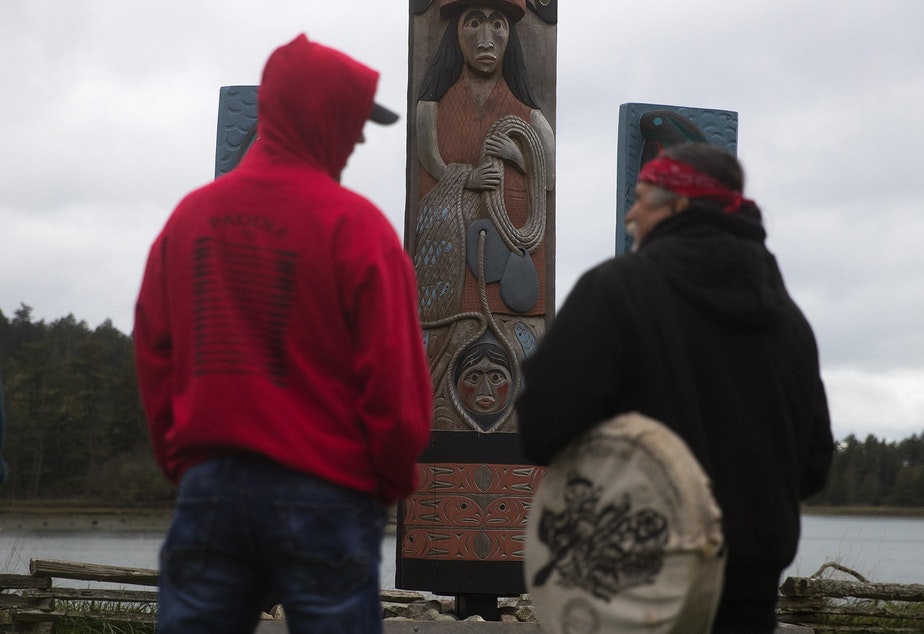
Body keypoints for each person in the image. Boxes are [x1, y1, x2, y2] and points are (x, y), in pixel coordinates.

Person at [133, 34, 432, 634]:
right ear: (324, 117)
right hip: (329, 494)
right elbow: (396, 387)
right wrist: (387, 487)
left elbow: (153, 350)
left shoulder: (189, 219)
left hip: (210, 489)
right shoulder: (359, 230)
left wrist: (185, 462)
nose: (360, 136)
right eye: (352, 119)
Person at [516, 143, 834, 633]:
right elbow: (813, 468)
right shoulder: (791, 324)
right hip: (749, 607)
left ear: (680, 205)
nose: (631, 213)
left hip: (634, 595)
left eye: (642, 198)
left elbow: (541, 425)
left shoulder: (616, 291)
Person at [413, 0, 555, 431]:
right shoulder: (432, 106)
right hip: (453, 258)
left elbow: (547, 179)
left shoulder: (529, 114)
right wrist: (468, 176)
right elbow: (431, 162)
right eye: (473, 23)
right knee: (446, 340)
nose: (486, 38)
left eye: (497, 24)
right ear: (456, 33)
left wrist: (516, 154)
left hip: (515, 251)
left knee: (520, 340)